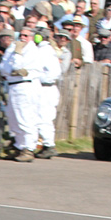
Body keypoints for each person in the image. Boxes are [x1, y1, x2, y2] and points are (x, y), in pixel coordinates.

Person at [0, 25, 43, 162]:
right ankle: (19, 146)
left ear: (32, 37)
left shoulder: (31, 50)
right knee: (13, 118)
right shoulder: (14, 47)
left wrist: (17, 54)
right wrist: (13, 69)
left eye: (26, 35)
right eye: (21, 35)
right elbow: (4, 68)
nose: (22, 38)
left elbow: (17, 67)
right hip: (13, 85)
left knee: (25, 118)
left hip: (25, 86)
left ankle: (28, 149)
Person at [35, 28, 62, 158]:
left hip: (46, 88)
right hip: (45, 87)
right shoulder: (45, 50)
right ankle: (46, 144)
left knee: (44, 118)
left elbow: (53, 73)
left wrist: (37, 78)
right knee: (42, 117)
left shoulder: (44, 51)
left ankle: (48, 145)